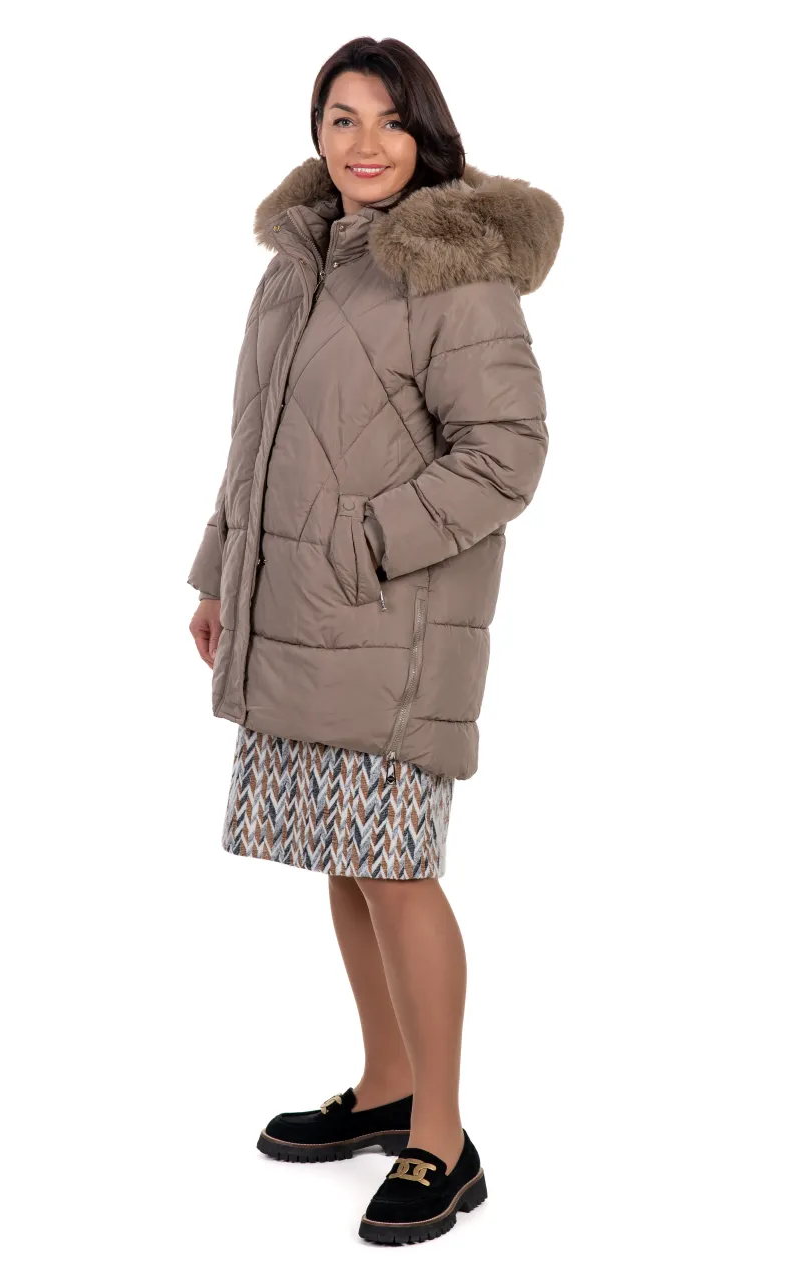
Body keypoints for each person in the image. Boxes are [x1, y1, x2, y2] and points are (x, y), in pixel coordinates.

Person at [187, 36, 563, 1246]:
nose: (362, 144)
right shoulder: (299, 261)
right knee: (345, 858)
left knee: (396, 868)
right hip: (299, 613)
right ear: (316, 132)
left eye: (389, 121)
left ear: (426, 135)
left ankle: (441, 1141)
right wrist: (220, 572)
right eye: (339, 118)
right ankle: (389, 1081)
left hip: (390, 624)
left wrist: (365, 544)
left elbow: (505, 454)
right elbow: (258, 436)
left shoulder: (451, 271)